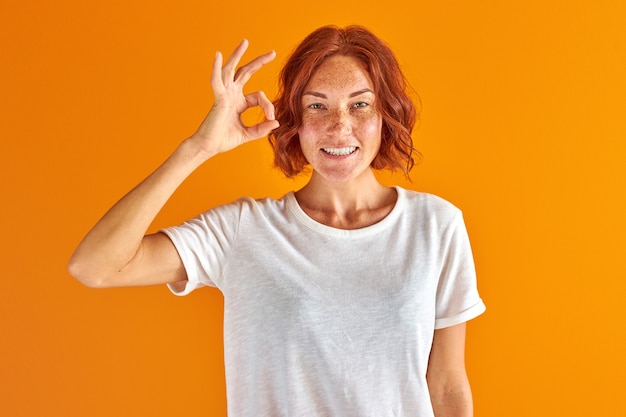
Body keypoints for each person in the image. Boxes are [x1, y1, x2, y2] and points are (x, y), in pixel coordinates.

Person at [69, 25, 486, 417]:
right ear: (295, 121)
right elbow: (95, 266)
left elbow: (447, 384)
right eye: (317, 106)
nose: (340, 125)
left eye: (360, 104)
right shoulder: (242, 232)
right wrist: (199, 148)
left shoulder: (437, 225)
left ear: (386, 115)